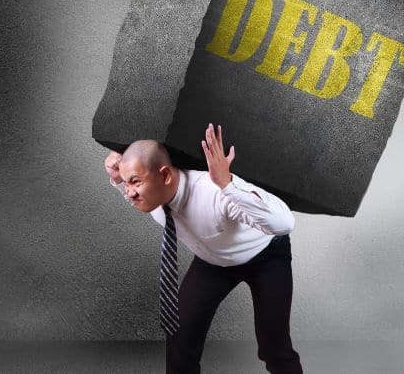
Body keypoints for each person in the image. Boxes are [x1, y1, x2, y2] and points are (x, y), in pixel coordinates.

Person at [103, 123, 304, 374]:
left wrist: (228, 184)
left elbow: (285, 223)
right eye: (127, 184)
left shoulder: (213, 193)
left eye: (135, 182)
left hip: (265, 255)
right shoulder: (153, 196)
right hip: (213, 261)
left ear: (165, 175)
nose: (129, 193)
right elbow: (144, 166)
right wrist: (119, 175)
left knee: (274, 346)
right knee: (180, 335)